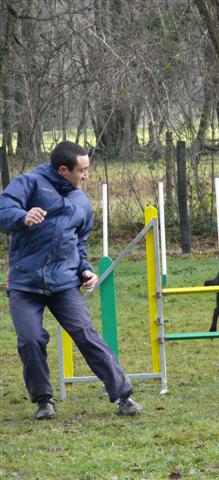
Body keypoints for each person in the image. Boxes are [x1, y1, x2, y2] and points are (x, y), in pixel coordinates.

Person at [0, 141, 143, 419]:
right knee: (30, 340)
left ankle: (123, 396)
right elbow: (3, 209)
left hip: (64, 283)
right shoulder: (29, 184)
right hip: (25, 284)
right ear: (63, 170)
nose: (87, 175)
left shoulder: (81, 202)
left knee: (87, 335)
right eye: (83, 170)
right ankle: (44, 400)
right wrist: (22, 216)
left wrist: (85, 269)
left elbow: (79, 243)